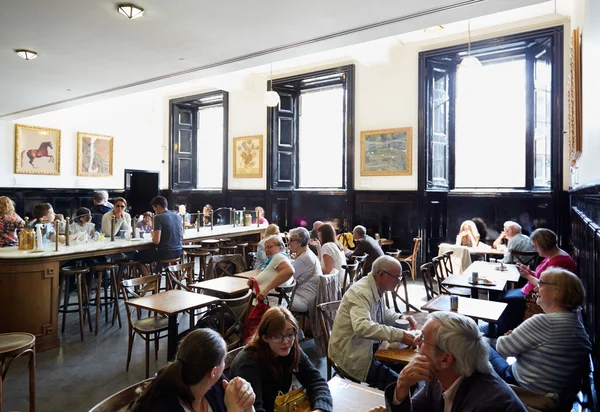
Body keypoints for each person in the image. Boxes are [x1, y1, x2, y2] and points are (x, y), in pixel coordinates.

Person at [376, 312, 526, 412]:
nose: (416, 341)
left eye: (422, 339)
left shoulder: (490, 405)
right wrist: (402, 385)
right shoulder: (441, 375)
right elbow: (416, 409)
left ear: (445, 359)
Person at [490, 268, 591, 408]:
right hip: (560, 398)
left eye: (541, 283)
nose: (536, 289)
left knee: (482, 346)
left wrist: (509, 337)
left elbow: (502, 348)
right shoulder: (576, 326)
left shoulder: (545, 322)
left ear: (558, 291)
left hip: (529, 392)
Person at [329, 256, 417, 390]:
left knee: (410, 371)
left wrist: (401, 317)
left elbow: (383, 313)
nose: (399, 281)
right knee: (402, 384)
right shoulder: (361, 292)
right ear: (381, 275)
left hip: (369, 348)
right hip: (351, 353)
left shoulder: (376, 286)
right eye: (397, 277)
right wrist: (401, 335)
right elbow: (362, 327)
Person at [229, 307, 333, 412]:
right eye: (277, 336)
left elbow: (316, 381)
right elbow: (254, 408)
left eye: (290, 334)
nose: (285, 341)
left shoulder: (290, 349)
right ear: (265, 337)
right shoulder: (248, 365)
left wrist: (320, 409)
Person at [130, 328, 256, 412]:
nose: (225, 365)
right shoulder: (162, 406)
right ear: (213, 371)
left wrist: (248, 403)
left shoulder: (216, 384)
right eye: (224, 360)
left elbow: (244, 405)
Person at [496, 228, 577, 335]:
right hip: (532, 290)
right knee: (503, 297)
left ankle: (506, 334)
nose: (534, 249)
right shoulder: (552, 255)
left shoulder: (559, 261)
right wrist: (529, 271)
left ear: (544, 245)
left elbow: (546, 285)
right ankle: (507, 331)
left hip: (540, 295)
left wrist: (528, 276)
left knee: (506, 300)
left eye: (536, 246)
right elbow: (543, 276)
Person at [137, 196, 183, 277]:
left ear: (158, 207)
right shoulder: (177, 216)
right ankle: (173, 281)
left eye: (154, 209)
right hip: (178, 251)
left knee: (138, 259)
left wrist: (153, 235)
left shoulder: (158, 217)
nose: (155, 211)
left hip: (165, 253)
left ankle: (151, 282)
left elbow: (156, 241)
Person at [288, 227, 322, 312]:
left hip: (304, 300)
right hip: (309, 297)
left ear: (299, 242)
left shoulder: (304, 258)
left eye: (291, 240)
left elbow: (288, 279)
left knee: (269, 299)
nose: (289, 242)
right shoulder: (308, 253)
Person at [251, 234, 294, 301]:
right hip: (268, 302)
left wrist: (266, 290)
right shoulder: (281, 258)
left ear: (280, 248)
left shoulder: (278, 257)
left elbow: (289, 271)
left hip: (266, 304)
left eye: (270, 247)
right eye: (265, 248)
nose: (267, 250)